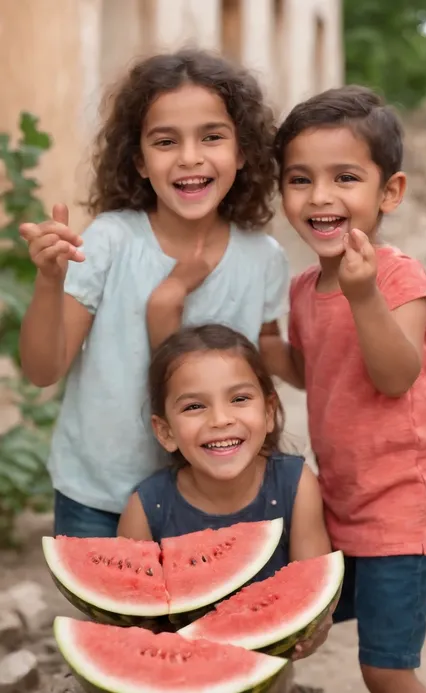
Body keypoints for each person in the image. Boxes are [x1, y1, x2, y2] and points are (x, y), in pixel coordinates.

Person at [18, 49, 289, 539]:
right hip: (100, 494)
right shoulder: (110, 241)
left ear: (243, 150)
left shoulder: (263, 258)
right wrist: (49, 281)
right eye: (166, 141)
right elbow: (43, 370)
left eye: (212, 136)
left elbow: (269, 360)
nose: (190, 157)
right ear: (140, 161)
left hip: (210, 502)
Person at [260, 85, 426, 693]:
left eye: (345, 177)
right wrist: (264, 336)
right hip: (342, 500)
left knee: (385, 669)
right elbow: (312, 371)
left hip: (403, 503)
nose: (320, 196)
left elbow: (394, 375)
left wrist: (363, 294)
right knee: (288, 626)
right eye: (300, 179)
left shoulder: (398, 276)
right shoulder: (298, 290)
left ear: (388, 192)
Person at [118, 323, 332, 668]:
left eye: (239, 399)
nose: (220, 419)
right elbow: (133, 624)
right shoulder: (146, 508)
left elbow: (314, 588)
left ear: (268, 411)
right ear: (165, 431)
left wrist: (315, 626)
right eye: (193, 407)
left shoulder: (295, 485)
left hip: (268, 669)